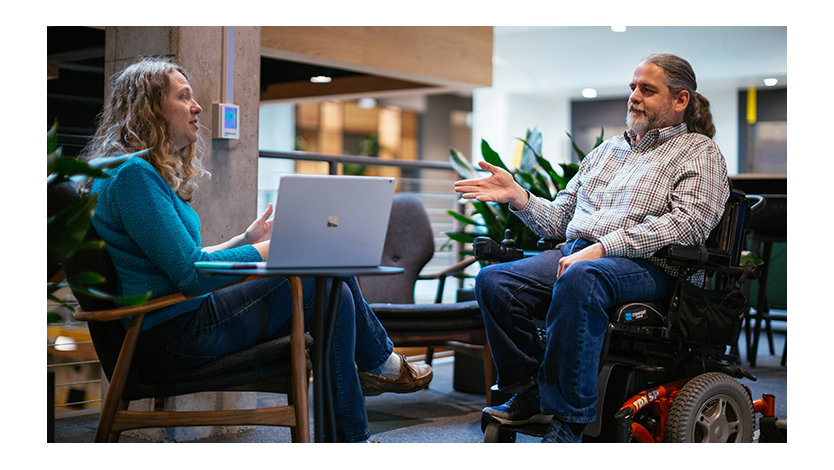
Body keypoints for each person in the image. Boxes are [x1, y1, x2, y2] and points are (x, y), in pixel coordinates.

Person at [79, 57, 431, 443]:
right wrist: (268, 249)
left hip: (175, 321)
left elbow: (180, 259)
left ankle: (361, 413)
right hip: (170, 336)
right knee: (323, 275)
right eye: (184, 97)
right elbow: (191, 274)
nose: (197, 107)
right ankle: (375, 372)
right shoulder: (133, 176)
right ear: (150, 108)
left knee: (331, 288)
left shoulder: (129, 172)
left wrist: (245, 241)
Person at [454, 54, 729, 443]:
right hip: (581, 254)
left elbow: (689, 223)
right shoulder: (606, 151)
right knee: (494, 282)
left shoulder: (699, 152)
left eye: (647, 90)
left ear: (680, 100)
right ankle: (528, 389)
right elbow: (560, 220)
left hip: (650, 265)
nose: (634, 96)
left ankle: (571, 419)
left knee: (583, 277)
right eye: (633, 87)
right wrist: (518, 197)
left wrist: (602, 248)